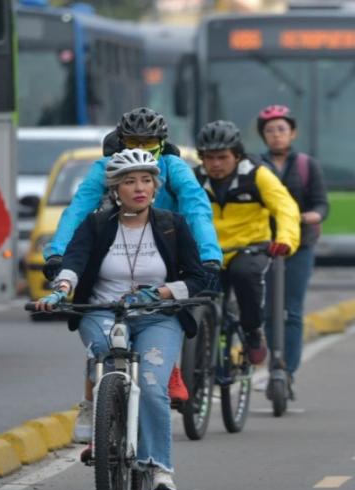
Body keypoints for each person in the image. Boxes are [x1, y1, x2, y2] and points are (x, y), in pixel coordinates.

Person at [34, 149, 207, 490]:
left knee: (151, 383)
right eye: (129, 181)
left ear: (156, 187)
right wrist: (60, 291)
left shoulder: (172, 224)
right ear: (115, 189)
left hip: (158, 316)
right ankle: (102, 420)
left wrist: (159, 292)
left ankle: (160, 469)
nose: (139, 188)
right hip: (102, 312)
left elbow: (197, 278)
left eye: (146, 180)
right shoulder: (97, 225)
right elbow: (75, 261)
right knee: (106, 355)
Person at [44, 107, 222, 427]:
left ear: (162, 144)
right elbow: (78, 210)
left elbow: (196, 208)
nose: (140, 151)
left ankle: (170, 367)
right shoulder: (105, 168)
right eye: (132, 143)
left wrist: (210, 256)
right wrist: (57, 254)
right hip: (117, 248)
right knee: (100, 334)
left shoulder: (174, 167)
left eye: (148, 144)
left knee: (173, 307)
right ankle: (93, 403)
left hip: (165, 249)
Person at [193, 119, 300, 368]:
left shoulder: (257, 175)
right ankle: (194, 360)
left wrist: (284, 239)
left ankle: (253, 333)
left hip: (249, 247)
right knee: (193, 294)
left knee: (245, 275)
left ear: (237, 155)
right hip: (209, 251)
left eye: (222, 157)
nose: (216, 164)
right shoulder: (194, 179)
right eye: (209, 158)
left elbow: (286, 208)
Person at [257, 105, 329, 396]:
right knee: (267, 310)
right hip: (263, 245)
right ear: (263, 136)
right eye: (270, 131)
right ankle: (273, 362)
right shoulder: (255, 165)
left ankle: (288, 370)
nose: (276, 135)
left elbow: (322, 204)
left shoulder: (306, 165)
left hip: (300, 244)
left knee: (293, 310)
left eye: (281, 129)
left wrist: (311, 216)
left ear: (292, 132)